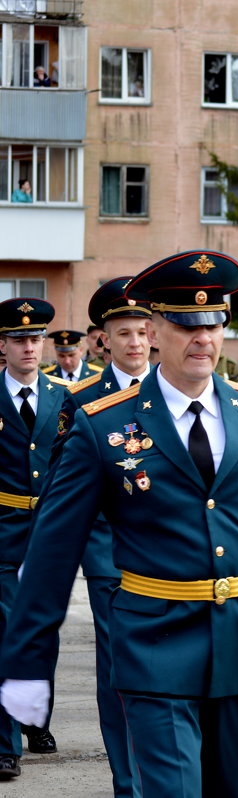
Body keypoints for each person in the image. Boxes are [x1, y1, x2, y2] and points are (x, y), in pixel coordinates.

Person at [0, 251, 238, 798]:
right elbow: (53, 549)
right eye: (185, 324)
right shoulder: (104, 425)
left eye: (214, 323)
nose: (203, 337)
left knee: (227, 788)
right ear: (155, 330)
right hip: (154, 637)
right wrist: (27, 660)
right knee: (171, 788)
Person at [53, 278, 154, 795]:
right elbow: (68, 492)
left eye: (142, 331)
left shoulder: (178, 391)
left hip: (174, 558)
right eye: (123, 333)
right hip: (110, 558)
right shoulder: (81, 402)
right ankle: (127, 781)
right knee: (119, 672)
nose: (135, 342)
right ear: (102, 340)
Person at [0, 297, 71, 781]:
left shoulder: (64, 396)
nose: (29, 347)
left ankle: (34, 718)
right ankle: (6, 745)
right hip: (2, 529)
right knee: (6, 632)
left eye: (35, 338)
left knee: (43, 629)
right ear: (2, 346)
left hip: (49, 532)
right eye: (19, 340)